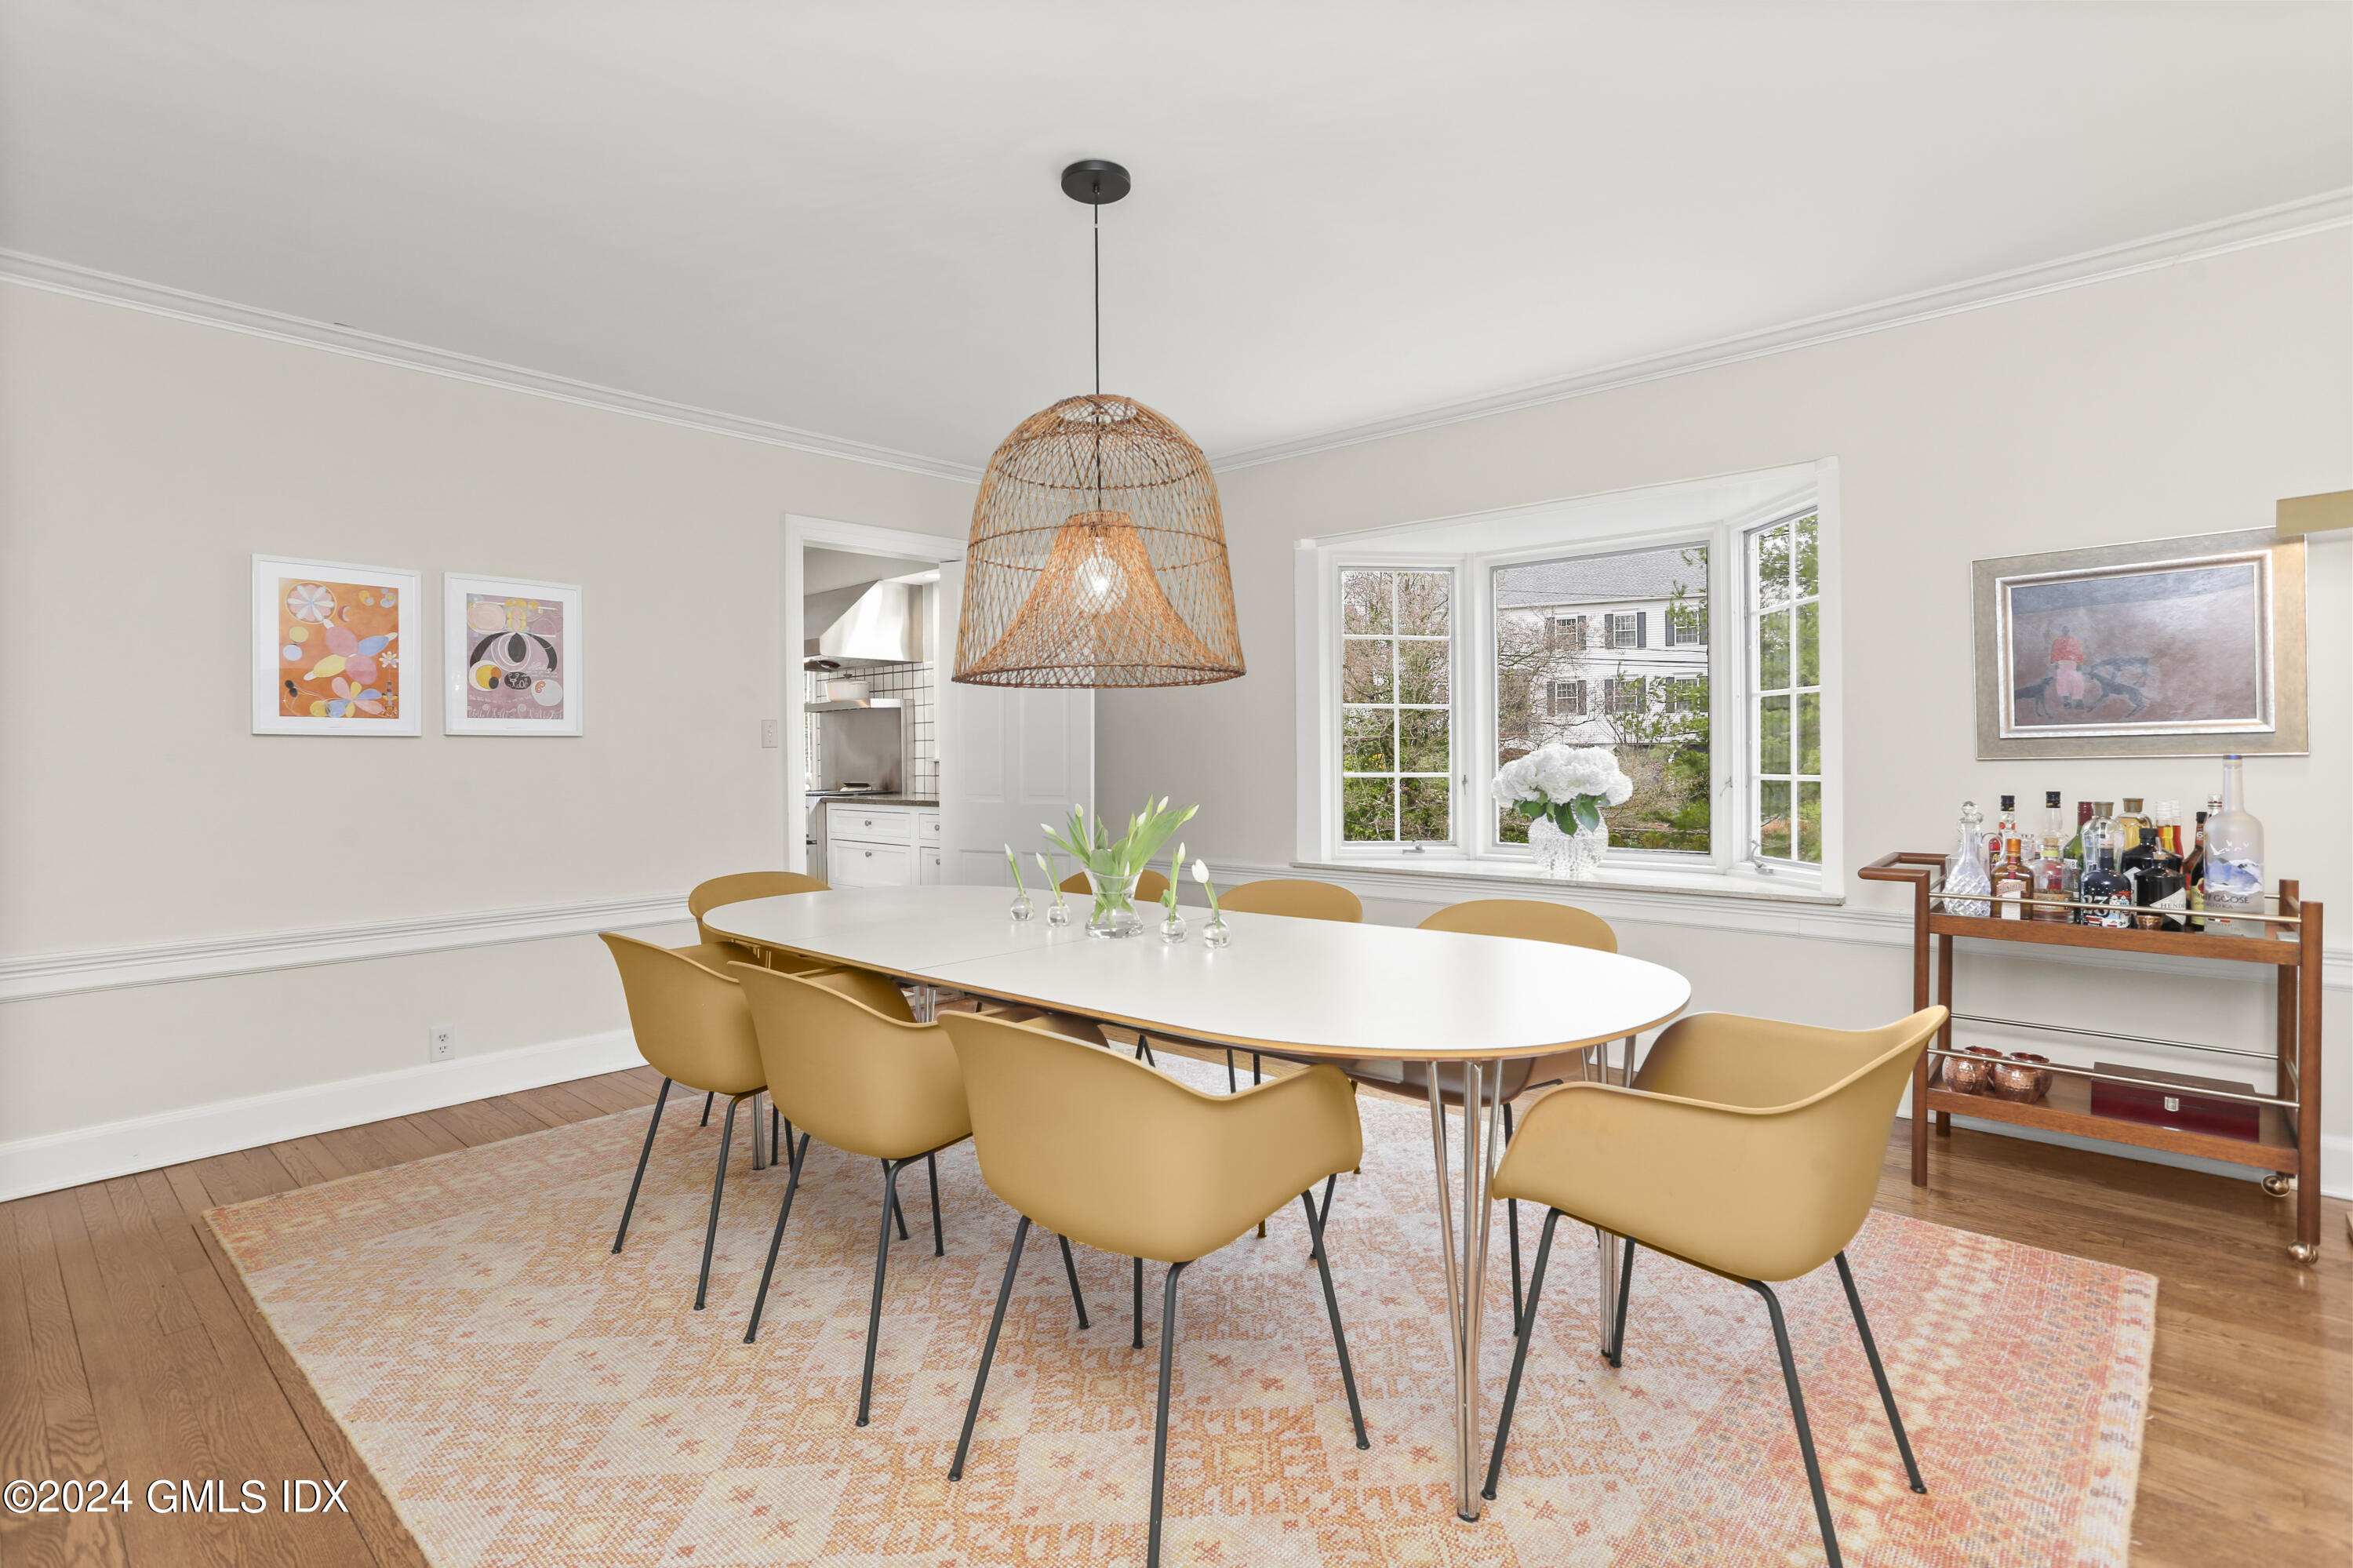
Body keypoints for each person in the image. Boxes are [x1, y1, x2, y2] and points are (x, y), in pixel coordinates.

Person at [2049, 624, 2086, 710]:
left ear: (2069, 631)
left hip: (2074, 663)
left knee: (2077, 681)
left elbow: (2078, 651)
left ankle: (2079, 701)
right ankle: (2066, 702)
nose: (2066, 631)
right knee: (2062, 683)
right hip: (2061, 664)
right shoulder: (2058, 641)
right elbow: (2054, 652)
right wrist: (2056, 663)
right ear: (2062, 631)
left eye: (2067, 629)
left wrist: (2079, 663)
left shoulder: (2074, 640)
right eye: (2064, 629)